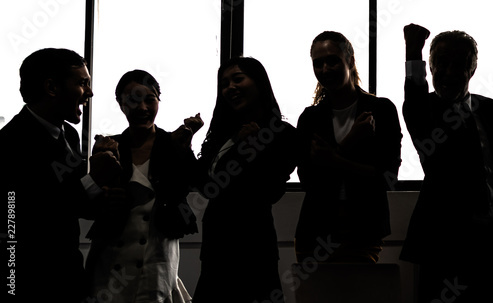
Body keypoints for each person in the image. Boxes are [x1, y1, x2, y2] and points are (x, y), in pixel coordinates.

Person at [399, 23, 493, 303]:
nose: (449, 72)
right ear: (430, 68)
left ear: (472, 69)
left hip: (490, 242)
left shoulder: (491, 109)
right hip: (443, 241)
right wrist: (413, 52)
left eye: (459, 64)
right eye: (441, 64)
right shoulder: (424, 109)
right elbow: (414, 94)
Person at [0, 48, 120, 302]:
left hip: (69, 274)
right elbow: (27, 214)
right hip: (28, 280)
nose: (90, 92)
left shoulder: (70, 134)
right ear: (51, 87)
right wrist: (93, 178)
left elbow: (77, 203)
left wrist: (104, 182)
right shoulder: (11, 142)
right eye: (82, 83)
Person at [84, 70, 201, 302]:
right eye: (133, 100)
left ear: (159, 100)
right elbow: (89, 201)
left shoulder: (174, 142)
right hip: (112, 256)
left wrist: (185, 150)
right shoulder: (109, 146)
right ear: (120, 104)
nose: (143, 108)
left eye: (150, 99)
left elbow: (196, 183)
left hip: (158, 255)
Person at [192, 57, 297, 302]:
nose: (230, 87)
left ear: (259, 83)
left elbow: (269, 190)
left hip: (253, 248)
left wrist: (246, 149)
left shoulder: (283, 135)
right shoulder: (222, 134)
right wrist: (186, 144)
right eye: (224, 83)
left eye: (238, 79)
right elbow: (206, 186)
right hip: (216, 248)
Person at [295, 31, 402, 264]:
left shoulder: (381, 110)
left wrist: (332, 159)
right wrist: (350, 142)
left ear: (350, 61)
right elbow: (309, 180)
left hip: (363, 230)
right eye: (318, 63)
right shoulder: (310, 118)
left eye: (333, 60)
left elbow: (388, 178)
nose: (324, 69)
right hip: (315, 231)